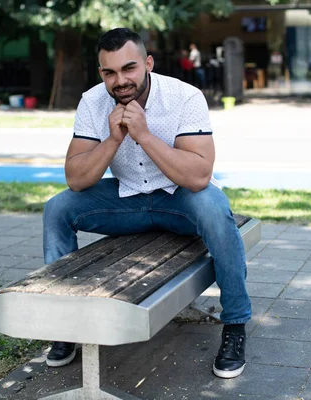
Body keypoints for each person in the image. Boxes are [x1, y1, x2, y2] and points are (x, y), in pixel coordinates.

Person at [42, 28, 251, 379]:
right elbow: (76, 179)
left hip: (179, 199)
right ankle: (67, 324)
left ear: (148, 63)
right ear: (101, 73)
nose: (120, 81)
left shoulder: (185, 97)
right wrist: (113, 138)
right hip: (127, 200)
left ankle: (235, 324)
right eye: (110, 73)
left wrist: (144, 135)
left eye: (129, 69)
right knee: (57, 209)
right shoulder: (92, 102)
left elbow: (199, 176)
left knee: (215, 209)